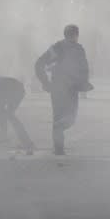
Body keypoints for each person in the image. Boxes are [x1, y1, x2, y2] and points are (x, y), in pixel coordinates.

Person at [34, 24, 92, 155]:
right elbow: (84, 70)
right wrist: (83, 84)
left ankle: (58, 147)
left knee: (59, 117)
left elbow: (39, 64)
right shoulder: (77, 49)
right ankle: (59, 145)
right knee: (70, 118)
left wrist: (45, 83)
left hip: (58, 87)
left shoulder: (57, 47)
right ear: (76, 35)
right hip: (70, 88)